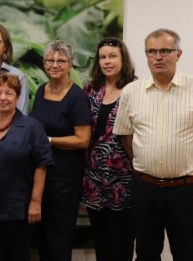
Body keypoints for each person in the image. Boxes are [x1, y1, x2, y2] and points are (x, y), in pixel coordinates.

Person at [113, 29, 193, 260]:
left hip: (186, 191)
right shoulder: (131, 92)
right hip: (145, 189)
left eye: (165, 51)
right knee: (146, 253)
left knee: (186, 254)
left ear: (178, 54)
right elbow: (126, 137)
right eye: (152, 51)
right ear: (146, 56)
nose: (158, 56)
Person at [0, 74, 53, 261]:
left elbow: (42, 165)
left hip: (20, 209)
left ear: (17, 97)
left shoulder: (32, 127)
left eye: (9, 93)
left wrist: (36, 202)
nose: (2, 97)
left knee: (18, 256)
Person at [30, 40, 91, 261]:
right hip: (40, 175)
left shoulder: (77, 97)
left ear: (70, 64)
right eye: (50, 60)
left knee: (60, 237)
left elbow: (83, 140)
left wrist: (48, 140)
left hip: (65, 179)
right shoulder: (40, 91)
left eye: (61, 61)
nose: (55, 65)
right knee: (42, 237)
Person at [82, 37, 136, 261]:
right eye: (102, 57)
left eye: (112, 56)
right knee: (101, 243)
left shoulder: (136, 89)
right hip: (94, 178)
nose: (107, 61)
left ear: (123, 59)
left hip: (123, 180)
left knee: (121, 244)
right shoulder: (92, 89)